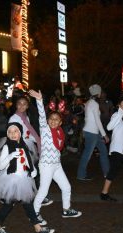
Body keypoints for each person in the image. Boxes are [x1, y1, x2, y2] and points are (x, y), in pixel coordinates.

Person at [0, 122, 55, 233]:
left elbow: (27, 160)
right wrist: (10, 156)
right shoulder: (6, 147)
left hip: (24, 179)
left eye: (15, 131)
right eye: (9, 132)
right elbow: (0, 166)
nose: (12, 134)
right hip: (13, 181)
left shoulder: (24, 146)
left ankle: (37, 228)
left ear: (20, 133)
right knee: (9, 205)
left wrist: (33, 169)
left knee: (28, 204)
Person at [29, 89, 82, 224]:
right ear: (48, 121)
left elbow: (59, 148)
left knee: (66, 187)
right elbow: (41, 115)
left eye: (56, 119)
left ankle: (66, 209)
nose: (53, 121)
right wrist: (39, 100)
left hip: (56, 165)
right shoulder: (45, 129)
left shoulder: (60, 132)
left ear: (60, 122)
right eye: (51, 119)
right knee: (43, 191)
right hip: (46, 165)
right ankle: (34, 215)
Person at [8, 95, 53, 206]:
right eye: (20, 103)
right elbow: (12, 136)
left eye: (24, 104)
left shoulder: (25, 117)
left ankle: (26, 196)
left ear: (27, 106)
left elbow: (28, 133)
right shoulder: (14, 118)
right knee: (27, 173)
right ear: (16, 105)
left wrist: (38, 140)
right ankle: (34, 197)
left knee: (28, 173)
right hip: (20, 148)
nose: (22, 106)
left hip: (27, 146)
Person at [77, 84, 110, 180]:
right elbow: (97, 120)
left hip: (91, 132)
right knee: (87, 154)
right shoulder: (94, 104)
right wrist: (104, 135)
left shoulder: (89, 102)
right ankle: (81, 175)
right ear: (98, 93)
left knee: (103, 151)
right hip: (92, 133)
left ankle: (107, 173)